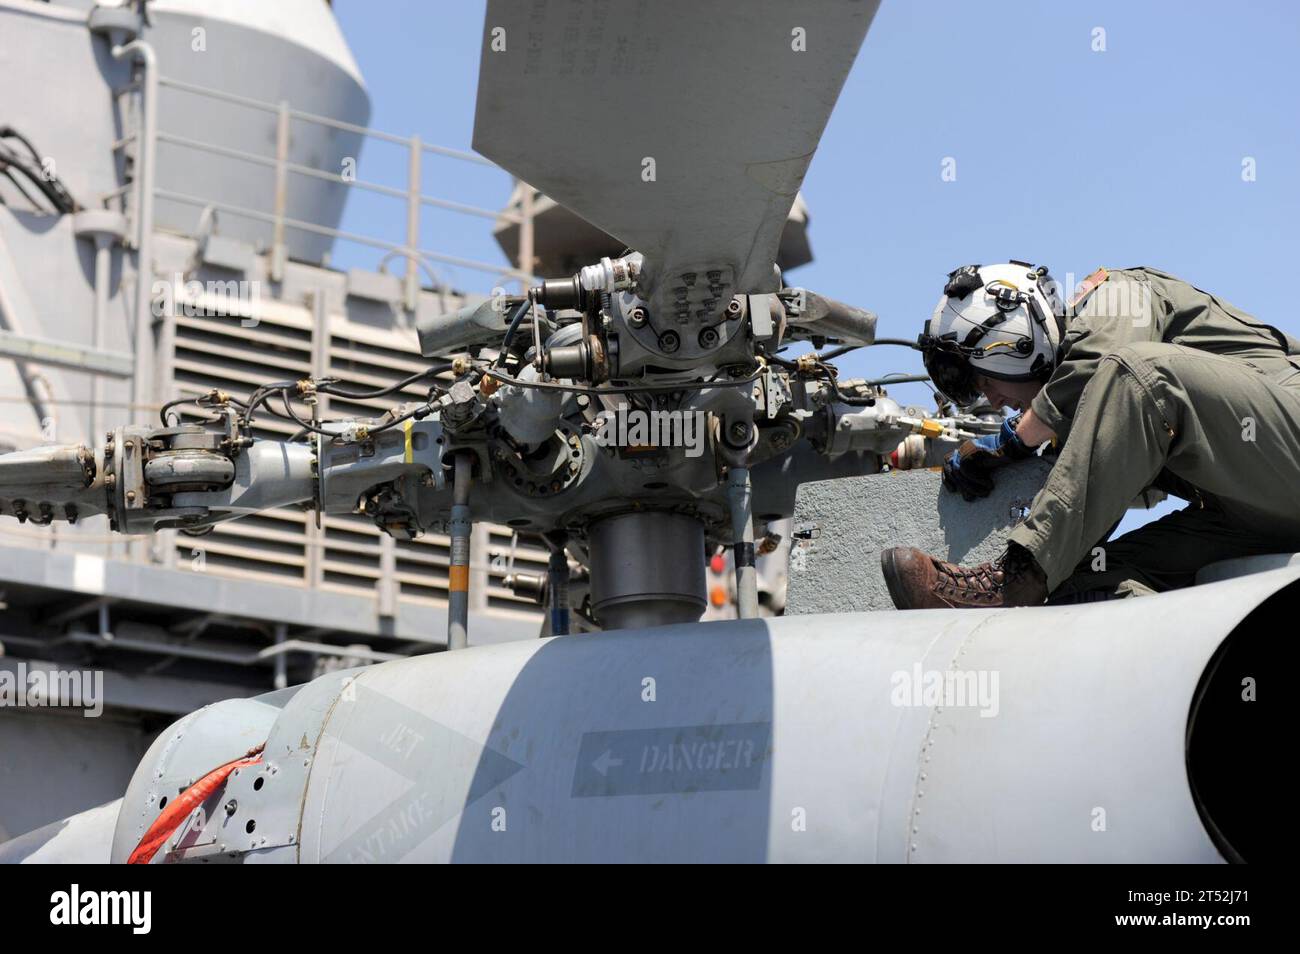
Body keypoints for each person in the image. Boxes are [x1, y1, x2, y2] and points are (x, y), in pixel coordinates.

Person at [880, 262, 1300, 609]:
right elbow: (1121, 472)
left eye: (986, 381)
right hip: (1255, 516)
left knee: (1142, 372)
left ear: (1015, 340)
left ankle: (1017, 576)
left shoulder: (1117, 294)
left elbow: (1102, 364)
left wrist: (1015, 440)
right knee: (1090, 579)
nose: (993, 400)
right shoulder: (1096, 412)